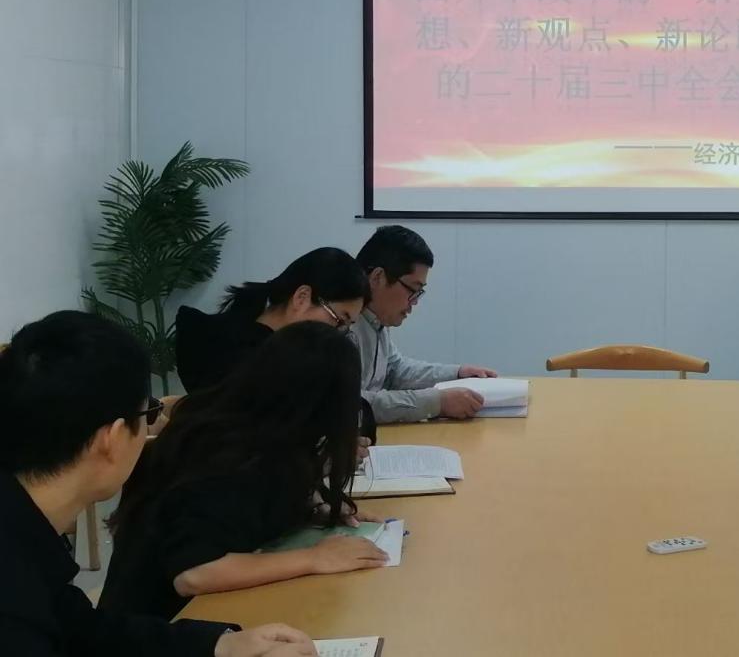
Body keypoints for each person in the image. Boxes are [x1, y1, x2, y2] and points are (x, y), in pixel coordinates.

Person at [0, 310, 316, 656]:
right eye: (149, 412)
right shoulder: (12, 589)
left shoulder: (24, 531)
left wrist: (219, 645)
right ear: (112, 438)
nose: (155, 425)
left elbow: (83, 631)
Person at [101, 323, 388, 621]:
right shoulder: (228, 456)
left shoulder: (252, 424)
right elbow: (195, 573)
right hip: (152, 625)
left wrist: (312, 510)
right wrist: (315, 558)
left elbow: (247, 512)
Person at [352, 225, 497, 423]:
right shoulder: (343, 326)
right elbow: (353, 404)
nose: (414, 302)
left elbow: (396, 371)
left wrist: (457, 373)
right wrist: (437, 403)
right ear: (377, 277)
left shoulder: (375, 319)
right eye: (412, 289)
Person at [175, 247, 369, 393]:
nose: (338, 334)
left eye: (346, 327)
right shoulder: (237, 359)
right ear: (301, 297)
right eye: (338, 320)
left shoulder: (285, 351)